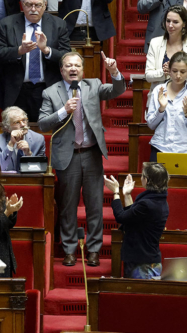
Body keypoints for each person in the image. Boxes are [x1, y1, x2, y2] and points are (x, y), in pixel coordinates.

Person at [40, 51, 125, 267]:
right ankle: (69, 250)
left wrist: (113, 71)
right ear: (62, 70)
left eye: (77, 65)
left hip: (91, 154)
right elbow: (42, 124)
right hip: (67, 157)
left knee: (94, 205)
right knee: (68, 207)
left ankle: (93, 250)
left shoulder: (93, 85)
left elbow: (118, 90)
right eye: (68, 65)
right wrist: (62, 111)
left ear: (82, 69)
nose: (73, 69)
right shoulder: (51, 92)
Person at [0, 0, 71, 123]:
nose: (33, 9)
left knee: (46, 133)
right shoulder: (7, 24)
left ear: (45, 4)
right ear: (22, 4)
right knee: (15, 134)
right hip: (16, 91)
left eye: (38, 5)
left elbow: (67, 57)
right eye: (28, 4)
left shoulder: (58, 25)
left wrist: (47, 51)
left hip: (47, 89)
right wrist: (18, 51)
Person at [103, 164, 169, 278]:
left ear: (147, 180)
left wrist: (116, 193)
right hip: (146, 260)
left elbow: (121, 217)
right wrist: (127, 195)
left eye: (142, 176)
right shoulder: (159, 201)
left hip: (143, 264)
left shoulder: (147, 204)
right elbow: (132, 218)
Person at [146, 50, 187, 158]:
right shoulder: (159, 90)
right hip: (160, 147)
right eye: (174, 71)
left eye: (182, 72)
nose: (178, 75)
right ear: (169, 71)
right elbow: (151, 124)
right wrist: (161, 109)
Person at [145, 5, 187, 93]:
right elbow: (148, 76)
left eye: (175, 22)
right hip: (160, 97)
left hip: (185, 98)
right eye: (168, 21)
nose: (170, 25)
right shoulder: (155, 43)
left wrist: (176, 70)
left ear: (184, 24)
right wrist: (164, 72)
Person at [0, 106, 46, 172]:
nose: (23, 125)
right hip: (8, 181)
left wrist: (29, 154)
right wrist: (10, 144)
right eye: (17, 122)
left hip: (31, 180)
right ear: (7, 128)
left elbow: (42, 169)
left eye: (24, 120)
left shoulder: (38, 139)